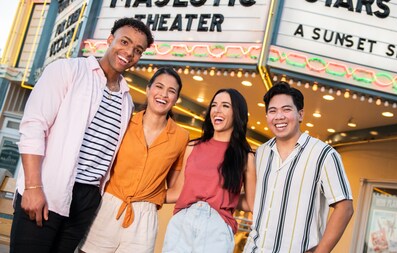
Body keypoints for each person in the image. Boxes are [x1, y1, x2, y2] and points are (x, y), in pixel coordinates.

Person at [10, 17, 153, 253]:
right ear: (110, 40)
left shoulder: (127, 100)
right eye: (124, 42)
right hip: (48, 188)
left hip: (86, 200)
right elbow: (34, 128)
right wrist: (33, 187)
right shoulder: (67, 70)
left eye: (137, 50)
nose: (129, 52)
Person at [78, 67, 189, 253]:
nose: (163, 94)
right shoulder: (124, 122)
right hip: (107, 207)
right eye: (159, 87)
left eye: (171, 91)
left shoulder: (181, 137)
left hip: (144, 219)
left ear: (176, 99)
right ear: (148, 89)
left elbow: (176, 188)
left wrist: (151, 197)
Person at [243, 81, 354, 253]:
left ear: (300, 114)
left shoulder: (324, 154)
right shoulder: (260, 153)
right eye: (272, 111)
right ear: (267, 117)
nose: (279, 116)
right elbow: (254, 202)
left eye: (286, 109)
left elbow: (345, 207)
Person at [162, 88, 256, 253]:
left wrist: (227, 197)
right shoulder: (192, 147)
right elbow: (178, 191)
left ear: (237, 114)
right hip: (182, 221)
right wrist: (144, 194)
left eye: (225, 106)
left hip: (217, 227)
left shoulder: (246, 157)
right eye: (214, 105)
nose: (217, 110)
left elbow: (251, 203)